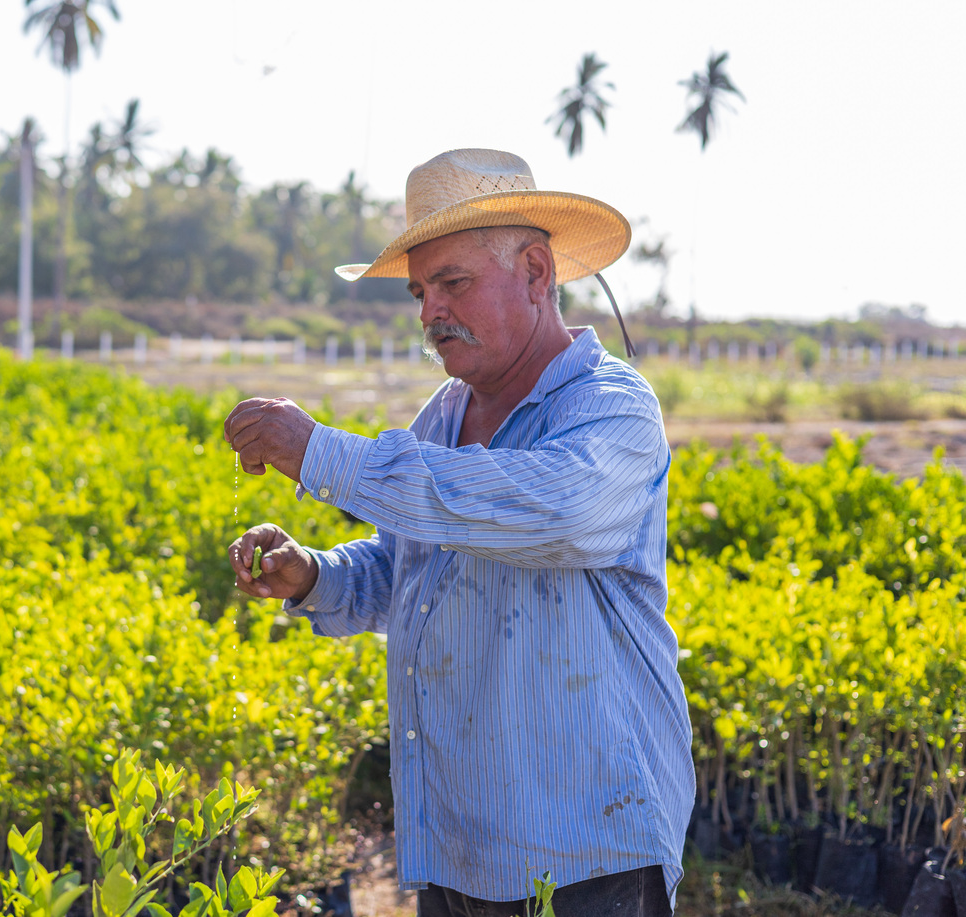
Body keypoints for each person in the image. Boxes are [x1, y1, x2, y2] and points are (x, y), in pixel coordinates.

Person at [223, 149, 693, 917]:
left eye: (452, 283)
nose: (428, 312)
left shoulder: (611, 409)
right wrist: (312, 573)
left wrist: (318, 450)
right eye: (418, 291)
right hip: (458, 835)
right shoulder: (441, 414)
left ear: (536, 273)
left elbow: (552, 513)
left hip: (580, 845)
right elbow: (405, 565)